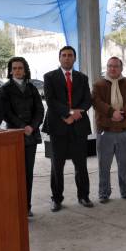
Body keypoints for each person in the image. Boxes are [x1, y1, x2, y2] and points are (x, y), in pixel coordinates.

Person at [43, 46, 93, 212]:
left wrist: (79, 113)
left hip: (79, 127)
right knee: (57, 166)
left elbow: (87, 99)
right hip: (58, 126)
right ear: (59, 58)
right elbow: (50, 100)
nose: (66, 58)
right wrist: (69, 113)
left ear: (74, 58)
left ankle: (84, 196)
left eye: (70, 55)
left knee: (81, 165)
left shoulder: (82, 77)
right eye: (63, 55)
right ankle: (56, 199)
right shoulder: (49, 77)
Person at [0, 57, 44, 217]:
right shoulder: (5, 89)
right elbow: (6, 112)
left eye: (20, 68)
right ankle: (15, 207)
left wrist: (32, 126)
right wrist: (22, 126)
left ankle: (27, 206)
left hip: (31, 135)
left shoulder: (32, 88)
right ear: (10, 70)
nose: (18, 70)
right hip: (14, 135)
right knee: (15, 174)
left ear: (25, 70)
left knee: (28, 173)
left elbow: (40, 110)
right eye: (15, 68)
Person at [92, 57, 126, 203]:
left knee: (124, 164)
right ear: (107, 67)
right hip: (105, 131)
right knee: (104, 165)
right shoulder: (98, 85)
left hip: (124, 131)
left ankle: (125, 191)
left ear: (121, 68)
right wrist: (112, 113)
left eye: (116, 66)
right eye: (110, 66)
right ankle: (104, 193)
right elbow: (96, 103)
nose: (112, 69)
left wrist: (122, 114)